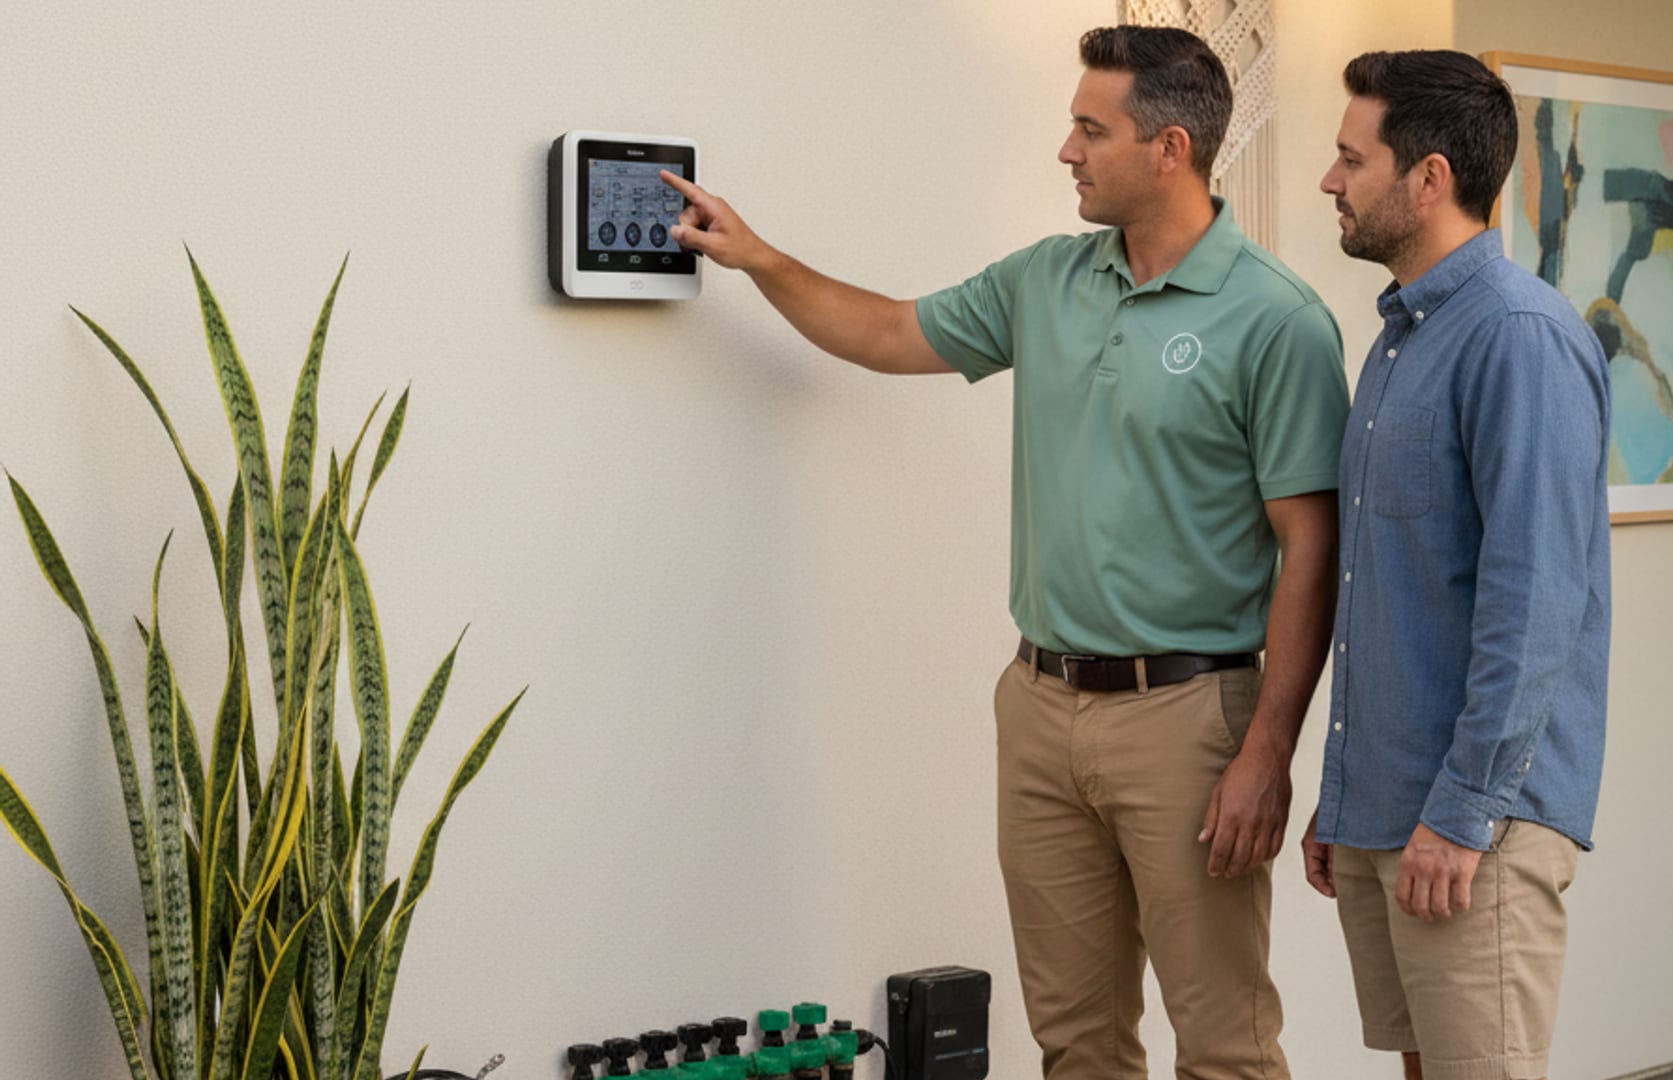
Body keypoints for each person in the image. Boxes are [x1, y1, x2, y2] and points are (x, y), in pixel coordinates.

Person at [661, 25, 1348, 1080]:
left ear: (1170, 147)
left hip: (1190, 719)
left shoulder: (1276, 319)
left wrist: (1267, 753)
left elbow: (1312, 549)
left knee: (1225, 1047)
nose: (1066, 151)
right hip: (1038, 709)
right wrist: (757, 258)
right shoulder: (1046, 281)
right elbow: (889, 334)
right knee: (1074, 1041)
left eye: (1089, 128)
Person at [1301, 49, 1612, 1080]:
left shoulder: (1519, 337)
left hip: (1474, 819)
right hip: (1394, 809)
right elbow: (1387, 590)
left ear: (1427, 177)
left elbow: (1536, 601)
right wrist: (1344, 802)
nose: (1329, 182)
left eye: (1351, 159)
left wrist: (1462, 810)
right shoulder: (1399, 341)